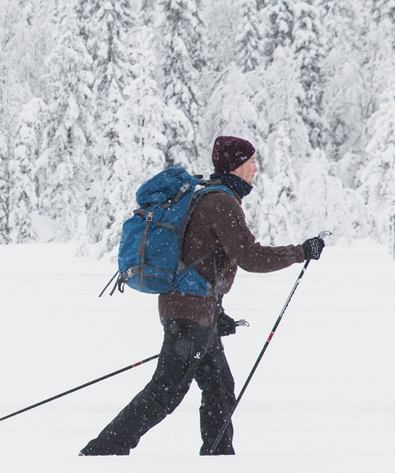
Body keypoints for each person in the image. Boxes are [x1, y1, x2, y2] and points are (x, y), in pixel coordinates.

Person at [80, 136, 324, 456]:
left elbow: (202, 259)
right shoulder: (220, 202)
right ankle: (103, 450)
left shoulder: (209, 197)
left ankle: (218, 456)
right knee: (166, 391)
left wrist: (216, 311)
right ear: (235, 166)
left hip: (194, 310)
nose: (256, 169)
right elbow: (249, 257)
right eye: (251, 162)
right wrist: (299, 252)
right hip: (188, 312)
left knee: (220, 388)